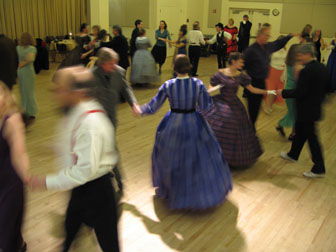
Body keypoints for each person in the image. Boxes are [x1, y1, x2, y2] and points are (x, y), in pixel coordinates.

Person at [30, 66, 120, 252]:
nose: (55, 94)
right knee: (69, 232)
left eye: (59, 89)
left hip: (98, 193)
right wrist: (55, 148)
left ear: (76, 92)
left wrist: (46, 182)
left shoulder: (90, 123)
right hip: (81, 190)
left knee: (109, 245)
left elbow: (83, 172)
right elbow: (76, 144)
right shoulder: (76, 111)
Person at [138, 55, 232, 209]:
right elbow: (206, 106)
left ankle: (176, 190)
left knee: (173, 158)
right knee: (196, 158)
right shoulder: (197, 84)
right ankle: (194, 191)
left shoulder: (168, 85)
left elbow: (153, 106)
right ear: (189, 66)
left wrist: (140, 110)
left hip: (172, 123)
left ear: (174, 67)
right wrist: (209, 94)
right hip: (194, 121)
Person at [202, 53, 276, 167]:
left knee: (236, 127)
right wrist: (214, 89)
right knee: (217, 126)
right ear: (233, 61)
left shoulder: (241, 76)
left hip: (234, 104)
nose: (242, 64)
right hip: (220, 103)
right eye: (240, 62)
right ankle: (213, 155)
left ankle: (230, 158)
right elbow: (209, 89)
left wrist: (267, 92)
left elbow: (252, 89)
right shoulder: (219, 74)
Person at [278, 43, 329, 178]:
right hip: (314, 108)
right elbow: (327, 89)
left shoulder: (307, 70)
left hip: (307, 110)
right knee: (300, 132)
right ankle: (293, 154)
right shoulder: (322, 67)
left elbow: (300, 91)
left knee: (312, 139)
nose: (299, 58)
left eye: (300, 55)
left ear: (308, 54)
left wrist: (283, 92)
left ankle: (319, 167)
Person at [93, 48, 139, 191]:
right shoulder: (91, 75)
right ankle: (111, 176)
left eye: (115, 64)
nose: (114, 67)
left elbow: (126, 89)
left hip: (111, 118)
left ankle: (117, 179)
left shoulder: (119, 72)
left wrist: (134, 104)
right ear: (102, 64)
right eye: (111, 64)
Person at [243, 26, 294, 128]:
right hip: (253, 84)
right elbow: (241, 65)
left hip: (262, 83)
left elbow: (278, 43)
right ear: (260, 35)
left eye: (268, 36)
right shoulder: (251, 50)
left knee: (256, 111)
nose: (268, 37)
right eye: (266, 35)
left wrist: (290, 36)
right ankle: (250, 133)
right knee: (253, 112)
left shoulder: (267, 47)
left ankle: (250, 131)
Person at [0, 81, 30, 252]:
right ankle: (19, 244)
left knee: (6, 226)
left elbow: (20, 152)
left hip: (10, 181)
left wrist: (25, 176)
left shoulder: (12, 120)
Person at [275, 44, 300, 141]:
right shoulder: (296, 65)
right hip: (293, 90)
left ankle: (281, 125)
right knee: (294, 113)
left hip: (288, 88)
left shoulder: (289, 62)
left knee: (292, 112)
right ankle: (292, 133)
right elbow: (297, 79)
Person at [17, 32, 38, 126]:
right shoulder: (32, 48)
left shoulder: (17, 48)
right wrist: (24, 63)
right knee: (30, 92)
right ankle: (31, 112)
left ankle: (24, 110)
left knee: (23, 92)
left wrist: (20, 64)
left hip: (20, 71)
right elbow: (30, 59)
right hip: (28, 72)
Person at [264, 36, 288, 114]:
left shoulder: (285, 51)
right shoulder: (273, 49)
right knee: (271, 90)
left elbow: (286, 62)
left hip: (281, 71)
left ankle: (270, 105)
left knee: (276, 91)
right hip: (272, 71)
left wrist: (284, 73)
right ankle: (267, 106)